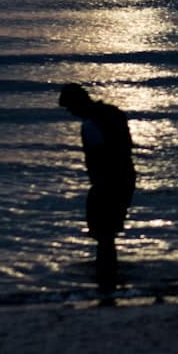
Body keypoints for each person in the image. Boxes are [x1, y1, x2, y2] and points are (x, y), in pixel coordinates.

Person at [59, 82, 136, 293]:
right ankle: (108, 271)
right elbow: (126, 146)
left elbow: (99, 156)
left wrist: (100, 181)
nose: (70, 112)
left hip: (108, 180)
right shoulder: (113, 114)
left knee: (103, 230)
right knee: (108, 231)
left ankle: (106, 275)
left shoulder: (91, 124)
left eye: (69, 107)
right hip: (125, 176)